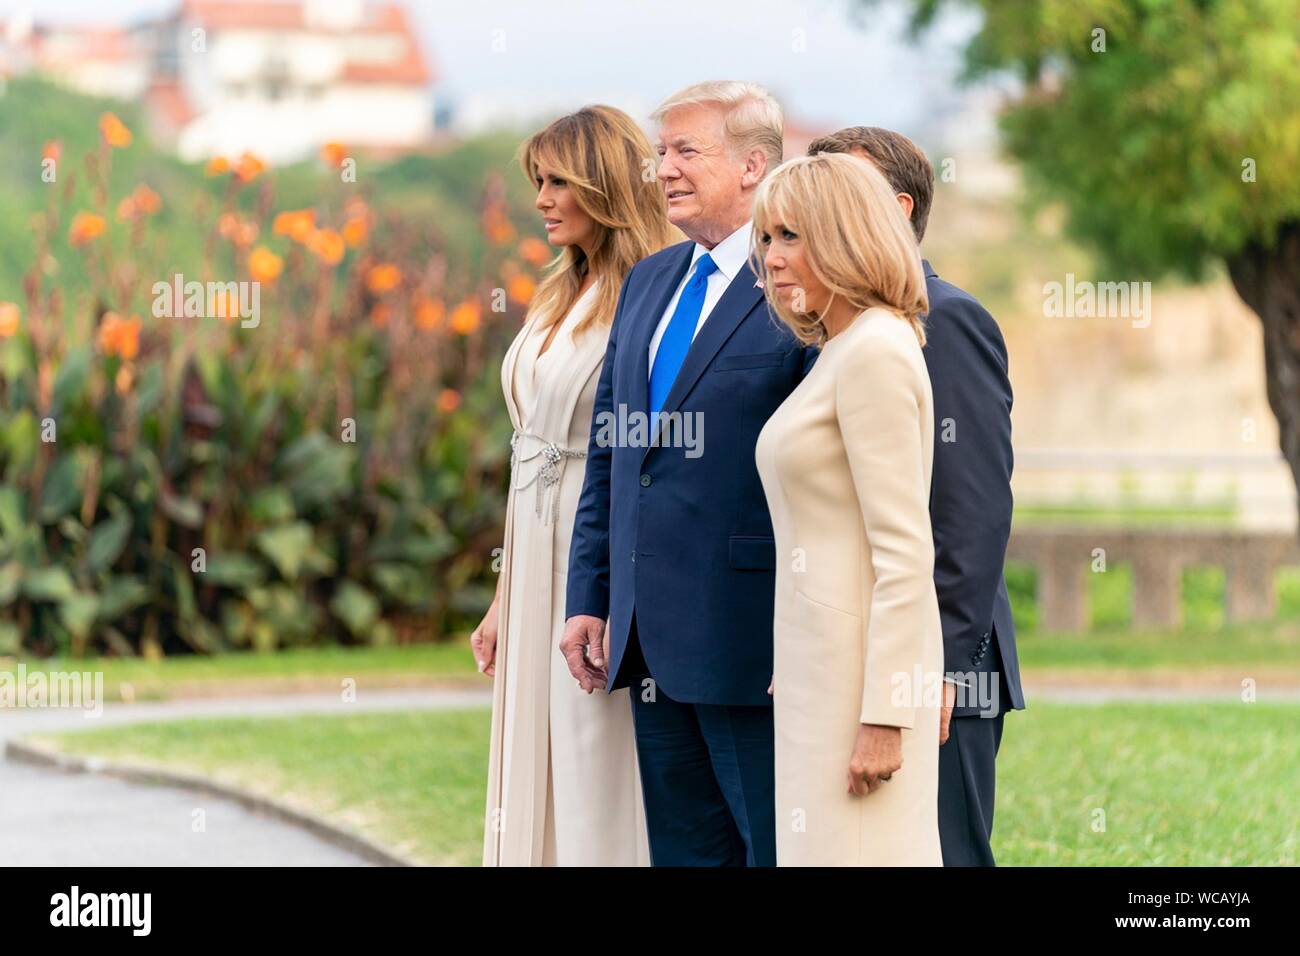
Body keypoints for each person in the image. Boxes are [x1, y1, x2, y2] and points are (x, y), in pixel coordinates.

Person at [560, 81, 813, 866]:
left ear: (753, 165)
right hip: (645, 639)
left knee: (769, 848)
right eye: (658, 153)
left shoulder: (800, 284)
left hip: (750, 638)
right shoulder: (651, 280)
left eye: (684, 151)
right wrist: (589, 596)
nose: (662, 170)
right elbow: (614, 455)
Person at [807, 127, 1024, 866]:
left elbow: (973, 514)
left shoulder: (946, 319)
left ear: (898, 210)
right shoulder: (835, 328)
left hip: (941, 665)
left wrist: (935, 670)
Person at [473, 105, 677, 866]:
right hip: (531, 553)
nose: (543, 199)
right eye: (539, 181)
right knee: (531, 739)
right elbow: (529, 448)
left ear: (606, 183)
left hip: (590, 555)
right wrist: (503, 598)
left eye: (559, 181)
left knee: (592, 746)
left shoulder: (653, 294)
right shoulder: (559, 292)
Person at [753, 152, 943, 865]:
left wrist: (886, 714)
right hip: (816, 672)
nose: (771, 257)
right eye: (767, 238)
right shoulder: (841, 349)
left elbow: (904, 555)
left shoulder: (875, 352)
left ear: (846, 236)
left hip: (858, 687)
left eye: (791, 235)